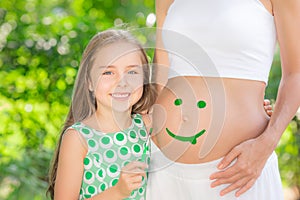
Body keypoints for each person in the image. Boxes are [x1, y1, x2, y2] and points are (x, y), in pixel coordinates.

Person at [147, 0, 300, 199]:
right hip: (164, 167)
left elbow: (296, 74)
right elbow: (162, 69)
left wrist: (267, 142)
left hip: (238, 171)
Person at [47, 29, 156, 199]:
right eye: (108, 72)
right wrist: (118, 191)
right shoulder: (78, 138)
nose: (122, 82)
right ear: (89, 82)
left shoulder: (147, 126)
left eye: (132, 72)